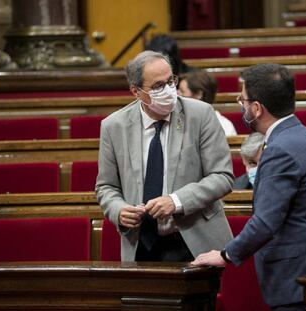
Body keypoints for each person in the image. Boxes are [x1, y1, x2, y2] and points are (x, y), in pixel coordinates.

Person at [192, 63, 306, 310]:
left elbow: (266, 221)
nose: (241, 105)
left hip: (299, 275)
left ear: (256, 108)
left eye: (242, 100)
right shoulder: (304, 135)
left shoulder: (280, 149)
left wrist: (224, 255)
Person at [96, 50, 234, 262]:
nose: (169, 90)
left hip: (193, 240)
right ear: (136, 91)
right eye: (158, 86)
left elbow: (222, 176)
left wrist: (176, 201)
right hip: (141, 245)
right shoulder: (114, 126)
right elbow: (106, 187)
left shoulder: (201, 114)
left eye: (171, 81)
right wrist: (119, 211)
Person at [178, 69, 237, 136]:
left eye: (182, 91)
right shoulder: (178, 121)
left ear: (198, 94)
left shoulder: (224, 126)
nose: (177, 94)